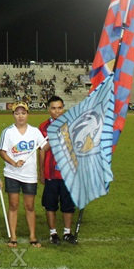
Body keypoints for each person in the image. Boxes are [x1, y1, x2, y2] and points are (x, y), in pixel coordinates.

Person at [0, 101, 49, 248]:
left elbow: (44, 147)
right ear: (13, 115)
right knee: (13, 205)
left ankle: (32, 236)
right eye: (17, 113)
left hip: (30, 175)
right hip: (12, 174)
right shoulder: (8, 132)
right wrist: (14, 163)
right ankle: (13, 237)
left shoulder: (35, 131)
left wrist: (55, 137)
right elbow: (2, 152)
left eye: (23, 113)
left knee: (30, 206)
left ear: (27, 114)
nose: (20, 116)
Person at [38, 95, 77, 245]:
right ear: (49, 109)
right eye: (54, 108)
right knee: (50, 204)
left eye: (60, 108)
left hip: (68, 173)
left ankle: (67, 232)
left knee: (68, 204)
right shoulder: (44, 127)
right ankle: (53, 233)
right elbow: (42, 150)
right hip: (51, 173)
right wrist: (41, 171)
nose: (57, 111)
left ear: (63, 108)